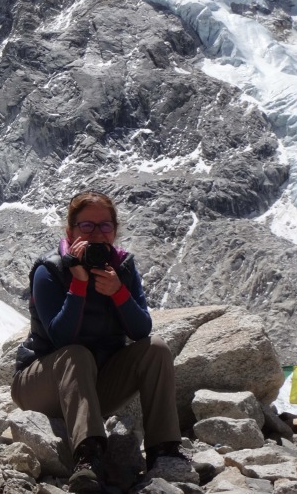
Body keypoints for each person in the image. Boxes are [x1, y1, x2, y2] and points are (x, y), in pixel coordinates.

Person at [11, 190, 185, 492]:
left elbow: (141, 331)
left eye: (105, 226)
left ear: (114, 231)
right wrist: (78, 284)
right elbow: (60, 337)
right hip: (41, 385)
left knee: (156, 349)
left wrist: (119, 292)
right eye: (86, 226)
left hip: (93, 388)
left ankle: (164, 451)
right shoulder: (50, 270)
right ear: (70, 231)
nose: (96, 234)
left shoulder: (124, 269)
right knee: (76, 354)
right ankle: (88, 457)